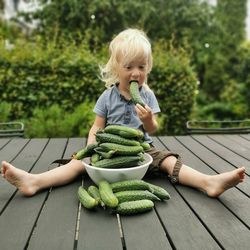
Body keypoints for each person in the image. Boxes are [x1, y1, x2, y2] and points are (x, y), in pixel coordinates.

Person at [1, 28, 245, 197]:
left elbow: (152, 130)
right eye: (129, 67)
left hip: (142, 150)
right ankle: (35, 181)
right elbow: (97, 127)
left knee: (169, 162)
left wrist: (148, 120)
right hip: (110, 149)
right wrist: (91, 146)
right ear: (116, 68)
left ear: (147, 67)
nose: (135, 73)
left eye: (141, 66)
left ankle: (208, 182)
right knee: (77, 164)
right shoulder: (107, 96)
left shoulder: (147, 95)